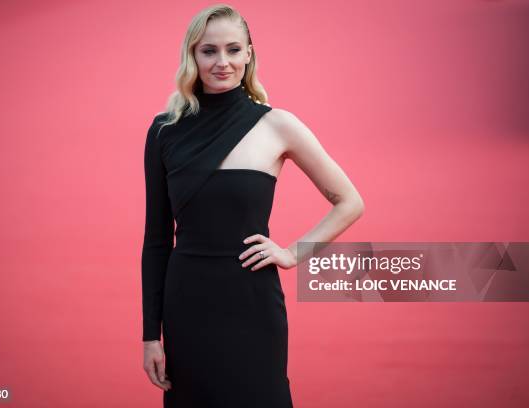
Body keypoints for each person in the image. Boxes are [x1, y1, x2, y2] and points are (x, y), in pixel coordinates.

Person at [141, 4, 364, 407]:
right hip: (187, 304)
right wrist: (149, 337)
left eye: (232, 49)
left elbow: (349, 201)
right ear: (192, 55)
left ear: (249, 54)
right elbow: (156, 240)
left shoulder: (278, 124)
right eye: (208, 51)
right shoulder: (164, 130)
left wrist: (293, 253)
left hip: (252, 301)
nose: (221, 62)